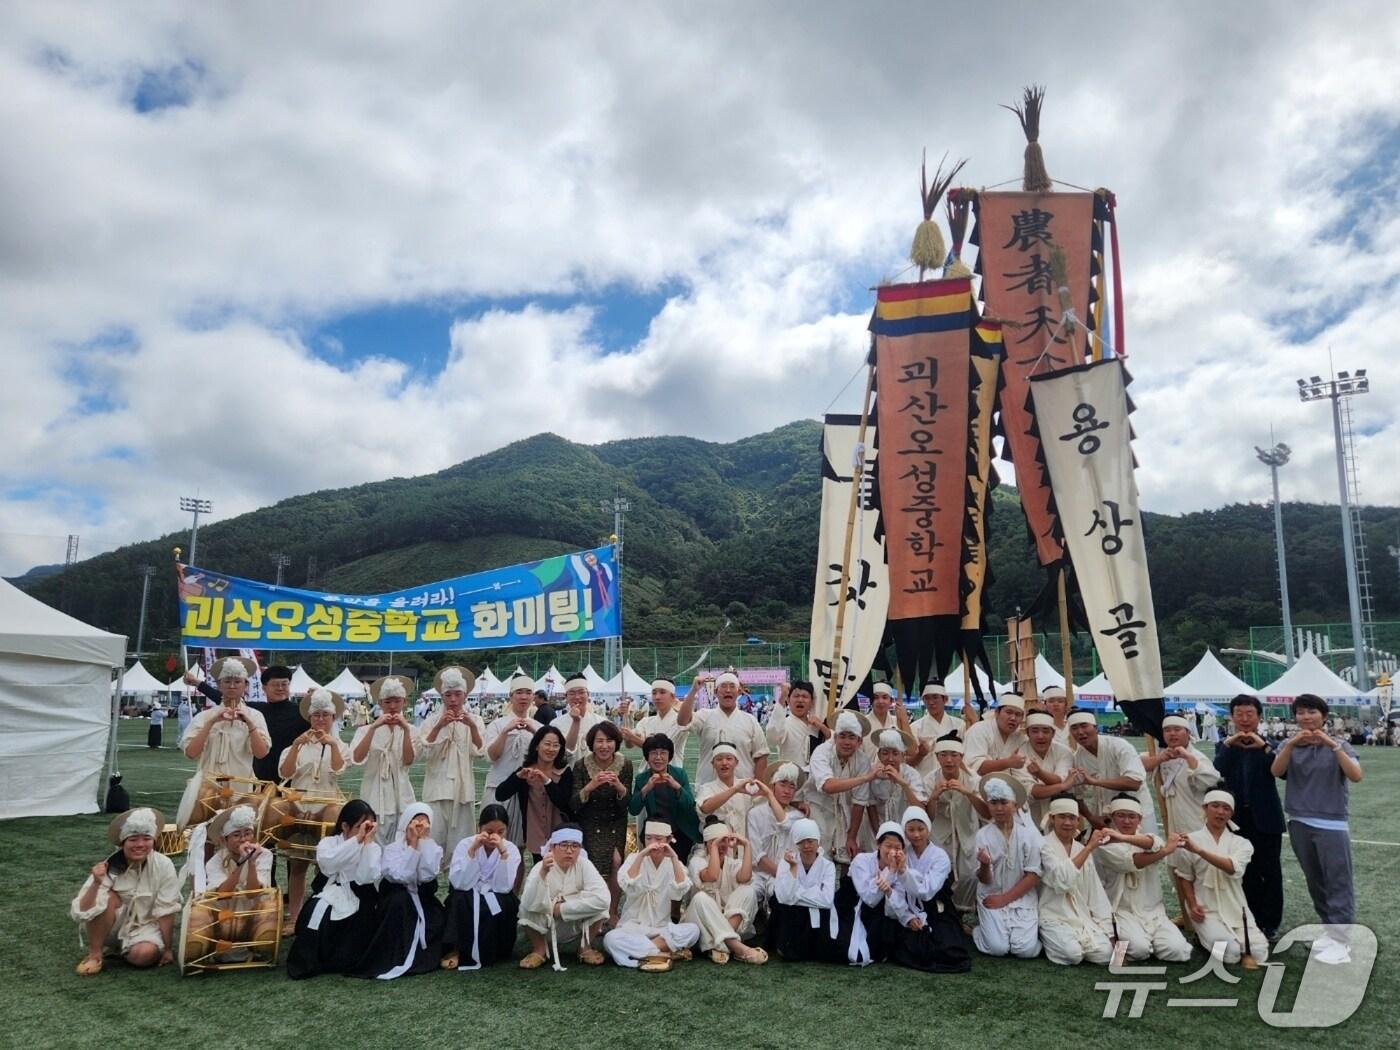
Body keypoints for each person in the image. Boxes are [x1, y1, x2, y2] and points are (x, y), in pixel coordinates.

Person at [1271, 693, 1364, 965]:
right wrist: (1290, 745)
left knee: (1338, 882)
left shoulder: (1340, 744)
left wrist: (1331, 745)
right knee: (1316, 881)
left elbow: (1356, 775)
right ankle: (1331, 931)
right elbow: (1276, 771)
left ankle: (1342, 941)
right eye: (1301, 712)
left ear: (1323, 716)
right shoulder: (1291, 745)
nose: (1306, 717)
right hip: (1299, 820)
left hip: (1331, 823)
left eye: (1312, 711)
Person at [276, 687, 352, 934]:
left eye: (325, 715)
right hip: (300, 805)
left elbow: (339, 770)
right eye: (316, 715)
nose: (320, 720)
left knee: (325, 864)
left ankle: (322, 914)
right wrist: (297, 746)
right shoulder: (297, 744)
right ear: (310, 717)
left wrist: (331, 745)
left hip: (327, 804)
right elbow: (285, 774)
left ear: (333, 718)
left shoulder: (340, 744)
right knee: (297, 864)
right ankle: (294, 917)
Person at [71, 807, 181, 975]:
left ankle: (123, 950)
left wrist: (167, 949)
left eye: (146, 839)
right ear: (122, 843)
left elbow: (166, 909)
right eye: (133, 839)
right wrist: (95, 883)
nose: (140, 845)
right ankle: (95, 954)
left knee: (144, 956)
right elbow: (82, 912)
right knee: (107, 897)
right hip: (111, 927)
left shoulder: (164, 865)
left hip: (145, 927)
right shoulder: (110, 865)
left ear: (154, 841)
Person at [1213, 693, 1285, 939]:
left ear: (1259, 717)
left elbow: (1282, 772)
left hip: (1266, 818)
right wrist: (1230, 744)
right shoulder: (1225, 745)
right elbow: (1218, 769)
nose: (1244, 719)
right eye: (1239, 714)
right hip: (1236, 820)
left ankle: (1271, 922)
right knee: (1244, 871)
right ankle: (1249, 918)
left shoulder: (1272, 745)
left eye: (1249, 714)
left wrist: (1263, 746)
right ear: (1232, 717)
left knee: (1271, 871)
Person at [286, 799, 382, 979]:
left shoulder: (373, 848)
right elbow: (329, 865)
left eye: (369, 826)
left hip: (360, 893)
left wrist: (365, 843)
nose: (365, 831)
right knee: (315, 913)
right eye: (360, 826)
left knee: (359, 923)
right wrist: (356, 841)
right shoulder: (329, 843)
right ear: (345, 826)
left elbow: (366, 876)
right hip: (330, 890)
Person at [1172, 789, 1269, 966]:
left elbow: (1232, 868)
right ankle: (1203, 938)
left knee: (1259, 953)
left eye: (1226, 808)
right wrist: (1192, 905)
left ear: (1231, 813)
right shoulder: (1190, 841)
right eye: (1215, 806)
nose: (1220, 812)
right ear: (1205, 808)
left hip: (1236, 907)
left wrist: (1199, 851)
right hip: (1205, 908)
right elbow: (1184, 877)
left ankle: (1218, 939)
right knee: (1229, 954)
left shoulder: (1242, 844)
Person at [176, 656, 272, 829]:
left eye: (238, 681)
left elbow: (262, 753)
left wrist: (249, 724)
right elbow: (191, 753)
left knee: (240, 837)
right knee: (206, 836)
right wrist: (211, 722)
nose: (232, 686)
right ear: (219, 685)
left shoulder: (255, 716)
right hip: (207, 787)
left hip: (242, 786)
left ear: (246, 686)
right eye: (227, 681)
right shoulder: (204, 716)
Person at [1095, 795, 1192, 963]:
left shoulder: (1148, 838)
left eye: (1132, 816)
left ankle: (1149, 940)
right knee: (1139, 950)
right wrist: (1165, 852)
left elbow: (1155, 843)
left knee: (1177, 951)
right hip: (1121, 910)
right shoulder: (1104, 845)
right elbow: (1134, 861)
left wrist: (1123, 837)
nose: (1126, 821)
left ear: (1139, 819)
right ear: (1112, 818)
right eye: (1121, 815)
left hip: (1153, 911)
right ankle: (1121, 939)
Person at [353, 802, 444, 979]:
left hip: (423, 899)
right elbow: (401, 876)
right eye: (415, 821)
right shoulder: (391, 849)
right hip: (397, 899)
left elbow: (427, 875)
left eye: (424, 822)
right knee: (399, 905)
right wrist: (412, 846)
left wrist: (421, 844)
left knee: (438, 919)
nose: (419, 826)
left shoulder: (433, 848)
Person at [603, 821, 701, 971]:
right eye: (649, 838)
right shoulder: (634, 859)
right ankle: (663, 953)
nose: (653, 843)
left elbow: (680, 890)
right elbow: (628, 885)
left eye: (658, 839)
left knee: (693, 930)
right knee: (610, 939)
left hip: (661, 929)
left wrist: (674, 857)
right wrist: (642, 854)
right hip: (633, 927)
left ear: (669, 840)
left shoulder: (675, 862)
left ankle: (647, 953)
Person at [562, 721, 633, 927]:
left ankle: (611, 912)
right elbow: (574, 804)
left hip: (615, 820)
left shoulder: (625, 764)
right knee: (591, 865)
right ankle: (594, 912)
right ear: (591, 744)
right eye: (599, 741)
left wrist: (619, 787)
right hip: (589, 821)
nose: (604, 746)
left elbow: (627, 804)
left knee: (617, 862)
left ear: (616, 743)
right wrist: (591, 786)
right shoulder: (581, 765)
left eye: (609, 741)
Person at [518, 826, 611, 969]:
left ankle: (584, 948)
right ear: (553, 847)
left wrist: (561, 908)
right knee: (525, 908)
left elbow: (603, 899)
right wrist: (543, 873)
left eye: (575, 846)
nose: (569, 851)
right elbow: (528, 902)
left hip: (575, 920)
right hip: (545, 923)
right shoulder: (540, 866)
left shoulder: (585, 865)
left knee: (601, 909)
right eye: (564, 845)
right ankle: (539, 950)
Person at [442, 803, 521, 971]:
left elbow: (504, 887)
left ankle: (496, 949)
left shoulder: (511, 849)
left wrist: (503, 854)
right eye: (489, 831)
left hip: (495, 892)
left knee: (507, 903)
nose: (495, 836)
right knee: (458, 899)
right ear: (480, 828)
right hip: (468, 891)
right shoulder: (465, 844)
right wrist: (472, 851)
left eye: (501, 832)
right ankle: (456, 949)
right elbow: (460, 883)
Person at [419, 666, 486, 862]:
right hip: (436, 790)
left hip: (463, 792)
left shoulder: (476, 720)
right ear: (442, 696)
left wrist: (472, 727)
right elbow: (423, 753)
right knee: (431, 845)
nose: (453, 700)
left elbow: (481, 752)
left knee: (463, 849)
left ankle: (458, 891)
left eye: (458, 694)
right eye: (448, 695)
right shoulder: (431, 721)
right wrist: (439, 726)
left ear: (465, 695)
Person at [1037, 797, 1114, 966]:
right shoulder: (1043, 846)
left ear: (1078, 821)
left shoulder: (1080, 849)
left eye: (1071, 818)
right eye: (1062, 817)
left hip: (1081, 917)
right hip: (1054, 916)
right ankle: (1044, 937)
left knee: (1106, 955)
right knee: (1073, 955)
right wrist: (1089, 848)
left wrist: (1109, 933)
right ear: (1052, 818)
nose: (1067, 823)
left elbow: (1095, 893)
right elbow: (1062, 880)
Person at [971, 774, 1041, 958]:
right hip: (991, 895)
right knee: (998, 948)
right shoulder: (982, 835)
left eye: (1004, 802)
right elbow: (984, 879)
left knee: (1025, 951)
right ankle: (978, 931)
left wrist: (1005, 899)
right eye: (993, 803)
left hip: (1021, 897)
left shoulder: (1029, 836)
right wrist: (985, 865)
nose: (999, 808)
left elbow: (1033, 875)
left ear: (1015, 805)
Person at [196, 804, 276, 964]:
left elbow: (253, 893)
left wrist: (251, 863)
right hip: (224, 912)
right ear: (223, 840)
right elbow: (223, 894)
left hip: (253, 911)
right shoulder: (214, 861)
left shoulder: (264, 855)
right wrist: (241, 864)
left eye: (248, 833)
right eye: (236, 835)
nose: (244, 839)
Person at [682, 821, 768, 964]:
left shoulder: (733, 863)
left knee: (748, 890)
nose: (722, 846)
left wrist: (746, 845)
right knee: (700, 898)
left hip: (725, 922)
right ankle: (738, 948)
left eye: (724, 842)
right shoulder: (697, 861)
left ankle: (720, 946)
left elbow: (745, 877)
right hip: (701, 922)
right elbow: (712, 875)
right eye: (716, 842)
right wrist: (715, 846)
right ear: (706, 845)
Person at [899, 807, 972, 972]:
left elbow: (927, 891)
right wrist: (908, 916)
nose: (916, 834)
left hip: (937, 907)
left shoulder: (940, 856)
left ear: (928, 829)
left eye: (921, 829)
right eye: (911, 830)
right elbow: (896, 889)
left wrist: (905, 872)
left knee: (948, 949)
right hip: (909, 905)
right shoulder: (903, 853)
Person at [924, 733, 988, 919]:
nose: (949, 760)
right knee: (940, 871)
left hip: (967, 830)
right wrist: (934, 797)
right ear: (937, 757)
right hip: (940, 833)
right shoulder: (930, 779)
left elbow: (986, 813)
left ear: (961, 757)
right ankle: (941, 911)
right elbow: (928, 816)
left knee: (969, 873)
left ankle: (964, 910)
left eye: (954, 755)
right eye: (943, 755)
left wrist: (968, 793)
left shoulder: (973, 780)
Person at [349, 675, 418, 844]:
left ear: (404, 702)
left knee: (401, 844)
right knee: (372, 843)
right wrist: (373, 727)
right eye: (387, 702)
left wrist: (406, 730)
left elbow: (409, 761)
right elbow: (357, 758)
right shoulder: (364, 730)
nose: (393, 706)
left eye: (397, 701)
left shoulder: (412, 730)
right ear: (380, 703)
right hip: (374, 792)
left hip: (401, 794)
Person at [803, 710, 875, 865]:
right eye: (842, 736)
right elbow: (827, 785)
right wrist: (864, 778)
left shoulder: (863, 761)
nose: (847, 742)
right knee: (819, 855)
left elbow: (860, 801)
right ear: (834, 738)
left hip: (846, 811)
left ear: (860, 741)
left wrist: (851, 836)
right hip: (818, 808)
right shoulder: (822, 752)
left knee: (849, 853)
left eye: (851, 737)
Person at [1067, 711, 1157, 834]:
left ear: (1096, 728)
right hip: (1106, 817)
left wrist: (1095, 781)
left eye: (1084, 726)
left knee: (1144, 849)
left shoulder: (1119, 746)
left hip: (1135, 813)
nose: (1080, 732)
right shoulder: (1078, 758)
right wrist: (1091, 817)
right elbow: (1076, 795)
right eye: (1074, 728)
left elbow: (1134, 782)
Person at [482, 672, 544, 848]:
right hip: (498, 787)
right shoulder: (497, 724)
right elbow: (492, 756)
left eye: (527, 692)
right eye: (519, 692)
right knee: (492, 840)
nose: (523, 697)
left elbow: (548, 756)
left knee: (520, 845)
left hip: (528, 791)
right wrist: (505, 732)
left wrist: (535, 733)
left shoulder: (539, 727)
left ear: (533, 696)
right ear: (511, 696)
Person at [768, 818, 843, 962]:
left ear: (818, 842)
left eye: (810, 841)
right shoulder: (786, 863)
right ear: (796, 843)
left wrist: (797, 895)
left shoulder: (828, 866)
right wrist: (794, 868)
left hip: (817, 918)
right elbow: (783, 898)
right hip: (793, 917)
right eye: (801, 842)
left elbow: (827, 900)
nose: (806, 846)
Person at [493, 724, 570, 861]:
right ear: (536, 746)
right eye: (547, 744)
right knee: (540, 869)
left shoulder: (564, 772)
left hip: (561, 832)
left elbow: (565, 803)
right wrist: (517, 777)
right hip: (535, 832)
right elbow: (500, 794)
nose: (551, 749)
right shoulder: (526, 771)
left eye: (556, 745)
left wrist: (547, 782)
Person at [678, 671, 769, 786]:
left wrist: (758, 787)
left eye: (732, 686)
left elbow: (761, 755)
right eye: (724, 686)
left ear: (739, 691)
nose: (728, 690)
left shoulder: (750, 720)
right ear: (716, 691)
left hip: (743, 789)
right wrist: (693, 691)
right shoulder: (705, 716)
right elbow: (682, 721)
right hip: (709, 788)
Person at [629, 732, 701, 863]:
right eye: (653, 753)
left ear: (669, 756)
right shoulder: (642, 778)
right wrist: (646, 788)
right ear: (647, 756)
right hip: (654, 832)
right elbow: (633, 809)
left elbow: (690, 805)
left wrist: (677, 787)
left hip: (679, 831)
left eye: (663, 753)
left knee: (678, 867)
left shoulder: (679, 774)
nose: (658, 757)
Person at [1143, 714, 1219, 836]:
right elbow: (1137, 765)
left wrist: (1189, 758)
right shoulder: (1163, 755)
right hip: (1172, 821)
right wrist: (1159, 759)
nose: (1172, 733)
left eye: (1177, 729)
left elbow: (1209, 782)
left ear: (1188, 733)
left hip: (1194, 820)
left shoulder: (1197, 757)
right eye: (1167, 730)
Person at [697, 743, 784, 848]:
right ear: (713, 764)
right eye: (719, 759)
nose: (724, 763)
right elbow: (705, 808)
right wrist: (735, 790)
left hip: (744, 846)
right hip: (717, 848)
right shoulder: (707, 788)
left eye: (729, 759)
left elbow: (768, 802)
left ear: (736, 763)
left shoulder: (747, 785)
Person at [747, 762, 809, 902]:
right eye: (782, 784)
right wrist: (779, 873)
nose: (787, 791)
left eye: (791, 786)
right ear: (772, 786)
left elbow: (786, 824)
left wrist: (783, 876)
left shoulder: (798, 817)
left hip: (787, 873)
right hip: (758, 873)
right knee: (749, 893)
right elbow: (758, 856)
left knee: (780, 892)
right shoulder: (755, 813)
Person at [854, 728, 926, 829]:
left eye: (895, 753)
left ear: (902, 755)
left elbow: (921, 809)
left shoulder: (911, 774)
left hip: (907, 828)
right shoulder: (872, 771)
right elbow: (871, 806)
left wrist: (903, 784)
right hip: (876, 827)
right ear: (878, 755)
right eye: (885, 753)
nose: (890, 758)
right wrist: (879, 833)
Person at [1018, 711, 1073, 827]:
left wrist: (1039, 773)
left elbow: (1059, 779)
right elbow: (1033, 792)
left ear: (1053, 733)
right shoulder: (1019, 754)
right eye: (1034, 731)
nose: (1040, 736)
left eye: (1046, 731)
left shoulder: (1064, 752)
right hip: (1027, 817)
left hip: (1060, 817)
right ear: (1027, 733)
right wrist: (1063, 786)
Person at [619, 678, 690, 760]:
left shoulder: (680, 721)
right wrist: (626, 717)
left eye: (662, 692)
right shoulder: (646, 721)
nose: (657, 697)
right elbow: (629, 745)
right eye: (654, 693)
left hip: (672, 771)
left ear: (673, 696)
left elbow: (660, 748)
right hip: (647, 771)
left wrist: (632, 737)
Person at [764, 680, 830, 768]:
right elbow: (772, 737)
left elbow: (833, 745)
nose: (800, 700)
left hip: (815, 777)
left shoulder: (817, 725)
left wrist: (822, 727)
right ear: (788, 700)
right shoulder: (784, 724)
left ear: (812, 702)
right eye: (796, 696)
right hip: (791, 777)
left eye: (805, 696)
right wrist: (781, 700)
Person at [962, 693, 1028, 781]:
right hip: (978, 789)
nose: (1013, 718)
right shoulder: (979, 730)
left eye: (1018, 714)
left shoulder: (1021, 739)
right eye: (1008, 712)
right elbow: (975, 767)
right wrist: (1008, 763)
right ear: (997, 713)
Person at [553, 673, 607, 762]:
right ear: (566, 696)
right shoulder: (556, 724)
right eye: (572, 693)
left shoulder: (601, 722)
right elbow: (563, 753)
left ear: (588, 694)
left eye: (581, 692)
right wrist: (576, 721)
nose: (577, 697)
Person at [912, 683, 960, 776]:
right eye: (927, 698)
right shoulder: (915, 727)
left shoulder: (959, 725)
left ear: (945, 699)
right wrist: (920, 754)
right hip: (925, 780)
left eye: (935, 697)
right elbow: (909, 762)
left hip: (953, 780)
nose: (931, 702)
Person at [861, 682, 913, 761]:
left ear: (891, 701)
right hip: (869, 771)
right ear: (871, 700)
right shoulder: (863, 723)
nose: (880, 701)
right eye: (876, 697)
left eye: (885, 697)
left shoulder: (898, 721)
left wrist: (904, 720)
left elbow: (912, 751)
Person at [1039, 685, 1073, 750]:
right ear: (1045, 705)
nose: (1056, 704)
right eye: (1051, 701)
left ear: (1066, 705)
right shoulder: (1040, 727)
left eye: (1060, 701)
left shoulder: (1072, 726)